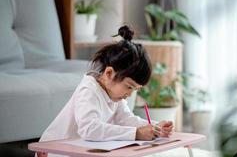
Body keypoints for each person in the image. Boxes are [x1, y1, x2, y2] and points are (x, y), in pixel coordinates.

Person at [38, 25, 173, 157]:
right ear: (109, 73)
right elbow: (89, 129)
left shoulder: (114, 94)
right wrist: (136, 133)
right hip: (53, 151)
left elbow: (125, 119)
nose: (130, 94)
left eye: (136, 89)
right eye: (129, 87)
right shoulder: (89, 90)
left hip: (79, 149)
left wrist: (155, 127)